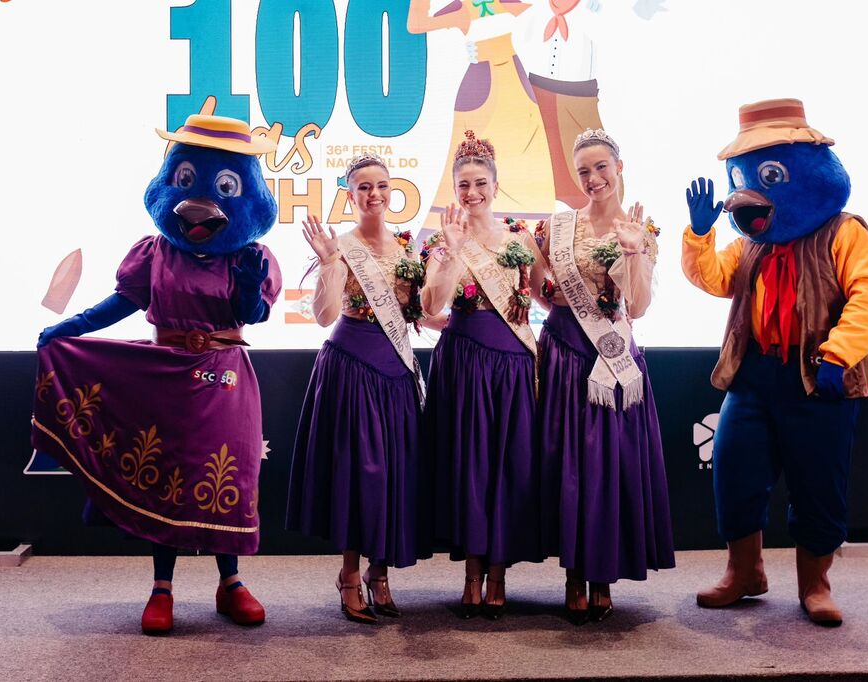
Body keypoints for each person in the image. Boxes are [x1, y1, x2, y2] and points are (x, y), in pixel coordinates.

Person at [31, 114, 280, 634]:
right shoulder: (156, 253)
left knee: (225, 477)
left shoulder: (250, 258)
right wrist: (72, 327)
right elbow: (123, 301)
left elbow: (253, 315)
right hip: (166, 377)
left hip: (226, 378)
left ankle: (231, 582)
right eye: (186, 180)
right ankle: (162, 587)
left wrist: (249, 290)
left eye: (224, 186)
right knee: (169, 479)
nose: (200, 202)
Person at [683, 99, 868, 626]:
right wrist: (701, 236)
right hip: (754, 376)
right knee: (735, 470)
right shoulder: (752, 243)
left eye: (768, 176)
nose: (748, 194)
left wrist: (838, 355)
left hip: (817, 378)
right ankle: (744, 573)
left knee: (818, 483)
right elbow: (715, 279)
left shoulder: (844, 232)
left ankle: (815, 584)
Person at [535, 128, 675, 624]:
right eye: (584, 171)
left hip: (611, 362)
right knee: (568, 467)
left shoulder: (639, 228)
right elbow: (538, 285)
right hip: (563, 355)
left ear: (619, 167)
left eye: (601, 167)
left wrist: (634, 252)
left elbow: (639, 304)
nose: (593, 178)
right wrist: (550, 296)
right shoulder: (557, 227)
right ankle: (575, 575)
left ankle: (603, 576)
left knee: (607, 466)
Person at [287, 154, 432, 624]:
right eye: (364, 187)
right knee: (357, 474)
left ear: (392, 191)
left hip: (396, 372)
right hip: (351, 368)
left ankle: (379, 572)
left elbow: (421, 313)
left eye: (382, 186)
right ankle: (349, 575)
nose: (375, 194)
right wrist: (330, 262)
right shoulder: (342, 246)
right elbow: (325, 315)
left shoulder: (408, 250)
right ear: (350, 195)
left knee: (393, 472)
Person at [420, 131, 545, 619]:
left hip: (512, 365)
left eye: (480, 183)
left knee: (507, 465)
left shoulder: (520, 237)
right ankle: (472, 573)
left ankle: (498, 573)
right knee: (468, 465)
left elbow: (545, 294)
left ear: (495, 185)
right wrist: (451, 253)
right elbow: (431, 304)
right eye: (463, 185)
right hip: (463, 363)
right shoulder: (442, 240)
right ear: (455, 190)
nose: (472, 193)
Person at [408, 0, 555, 228]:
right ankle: (457, 230)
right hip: (486, 81)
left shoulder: (497, 3)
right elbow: (417, 25)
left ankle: (532, 229)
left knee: (525, 148)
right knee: (472, 155)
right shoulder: (465, 6)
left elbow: (540, 13)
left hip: (511, 84)